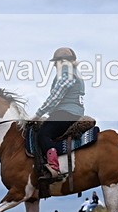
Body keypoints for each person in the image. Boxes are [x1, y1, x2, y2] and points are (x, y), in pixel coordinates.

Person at [35, 47, 85, 178]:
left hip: (66, 112)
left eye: (55, 62)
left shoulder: (66, 72)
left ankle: (53, 168)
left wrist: (38, 114)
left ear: (62, 61)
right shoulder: (76, 72)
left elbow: (55, 97)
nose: (53, 66)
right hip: (73, 112)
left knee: (43, 135)